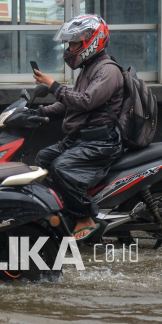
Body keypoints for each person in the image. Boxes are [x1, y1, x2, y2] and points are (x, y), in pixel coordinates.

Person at [31, 15, 124, 241]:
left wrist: (53, 85)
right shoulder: (88, 68)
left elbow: (85, 101)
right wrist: (37, 113)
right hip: (79, 139)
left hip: (100, 142)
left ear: (92, 41)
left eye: (74, 43)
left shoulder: (108, 71)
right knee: (43, 159)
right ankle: (63, 213)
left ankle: (85, 217)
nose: (70, 48)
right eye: (69, 44)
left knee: (61, 168)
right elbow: (68, 105)